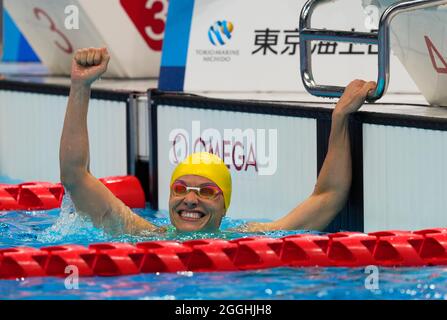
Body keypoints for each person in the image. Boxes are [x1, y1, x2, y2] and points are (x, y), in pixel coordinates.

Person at [60, 47, 376, 235]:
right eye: (180, 189)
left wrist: (339, 119)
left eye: (207, 191)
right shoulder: (143, 235)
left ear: (225, 206)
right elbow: (75, 177)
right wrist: (80, 86)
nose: (190, 200)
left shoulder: (247, 240)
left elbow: (328, 196)